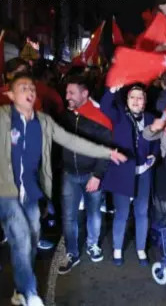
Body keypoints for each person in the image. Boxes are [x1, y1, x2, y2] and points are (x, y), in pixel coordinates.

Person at [0, 73, 126, 306]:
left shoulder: (45, 122)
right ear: (11, 95)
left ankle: (22, 289)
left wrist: (106, 154)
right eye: (23, 89)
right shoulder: (1, 116)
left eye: (32, 90)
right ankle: (28, 292)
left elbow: (72, 141)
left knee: (30, 238)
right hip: (3, 189)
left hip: (31, 191)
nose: (30, 93)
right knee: (23, 238)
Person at [58, 75, 113, 274]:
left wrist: (97, 175)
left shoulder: (99, 117)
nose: (67, 96)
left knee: (94, 214)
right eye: (66, 92)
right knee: (69, 217)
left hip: (91, 174)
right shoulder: (65, 116)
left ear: (85, 94)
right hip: (69, 175)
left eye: (71, 93)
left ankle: (92, 244)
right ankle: (72, 252)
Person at [100, 85, 160, 266]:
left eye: (140, 98)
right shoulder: (119, 116)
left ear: (145, 101)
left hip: (143, 172)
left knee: (142, 212)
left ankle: (141, 249)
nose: (136, 101)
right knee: (122, 213)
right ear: (126, 101)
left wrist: (154, 155)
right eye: (132, 97)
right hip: (122, 173)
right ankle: (118, 249)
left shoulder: (151, 118)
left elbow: (156, 142)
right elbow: (104, 106)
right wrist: (112, 89)